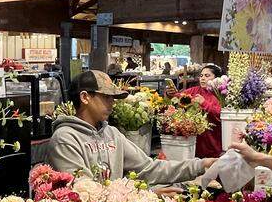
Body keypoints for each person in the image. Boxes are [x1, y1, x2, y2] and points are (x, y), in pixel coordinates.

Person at [50, 70, 216, 186]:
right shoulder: (65, 138)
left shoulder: (112, 134)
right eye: (107, 97)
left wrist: (201, 166)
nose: (112, 103)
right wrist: (140, 195)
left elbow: (148, 168)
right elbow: (83, 192)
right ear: (85, 97)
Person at [166, 63, 224, 158]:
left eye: (207, 75)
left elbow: (220, 115)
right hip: (194, 144)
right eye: (201, 76)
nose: (202, 78)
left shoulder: (221, 95)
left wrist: (204, 103)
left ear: (216, 78)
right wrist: (170, 94)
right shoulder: (194, 90)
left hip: (213, 143)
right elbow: (179, 97)